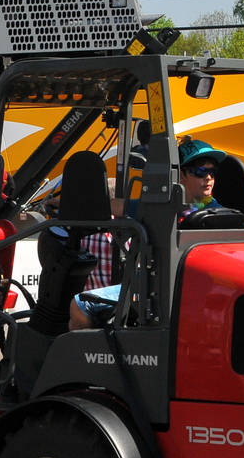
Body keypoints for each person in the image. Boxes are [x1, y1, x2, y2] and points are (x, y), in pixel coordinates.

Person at [71, 140, 235, 329]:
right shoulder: (161, 206)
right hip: (162, 284)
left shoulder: (218, 215)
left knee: (80, 305)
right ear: (180, 175)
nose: (208, 178)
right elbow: (117, 205)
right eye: (200, 171)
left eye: (212, 172)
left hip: (162, 289)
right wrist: (63, 203)